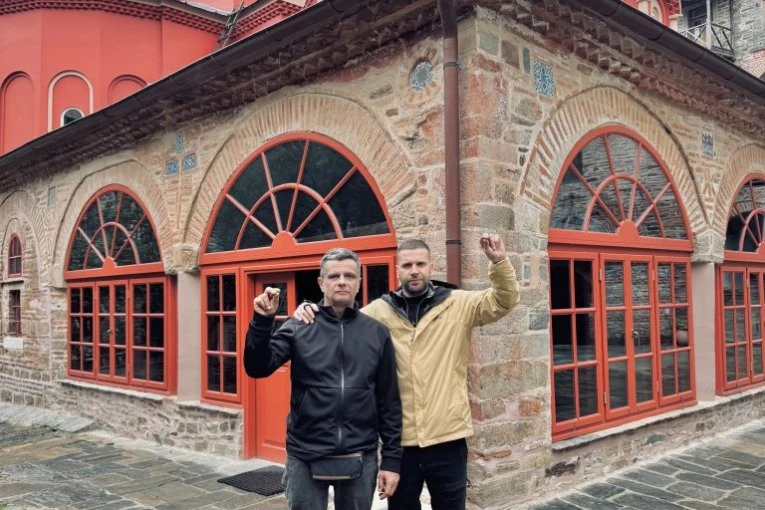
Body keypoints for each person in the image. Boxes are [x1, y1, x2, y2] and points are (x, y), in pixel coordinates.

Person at [295, 234, 520, 510]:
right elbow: (341, 321)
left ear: (430, 266)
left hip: (448, 437)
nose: (414, 270)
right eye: (407, 265)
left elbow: (503, 301)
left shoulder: (458, 304)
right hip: (401, 444)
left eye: (420, 264)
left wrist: (499, 263)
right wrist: (310, 309)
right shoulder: (377, 312)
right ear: (397, 269)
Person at [244, 248, 402, 510]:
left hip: (360, 453)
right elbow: (257, 367)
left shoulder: (376, 333)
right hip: (305, 453)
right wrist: (262, 320)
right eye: (334, 276)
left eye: (349, 276)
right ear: (321, 282)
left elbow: (389, 401)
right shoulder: (299, 326)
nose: (342, 281)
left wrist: (392, 460)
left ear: (359, 281)